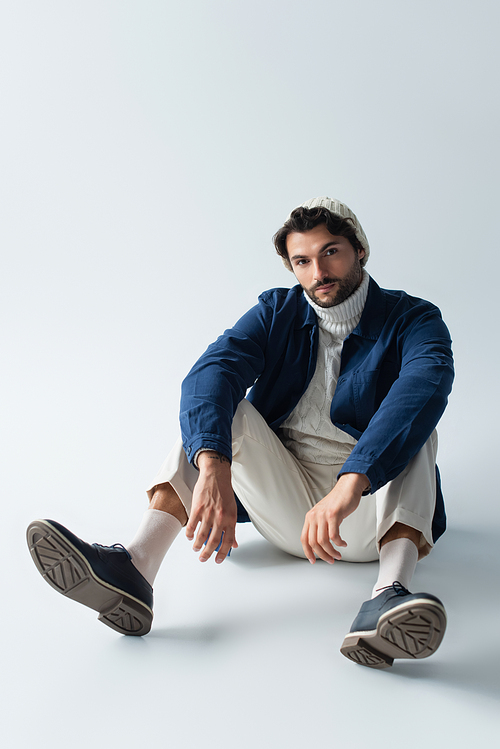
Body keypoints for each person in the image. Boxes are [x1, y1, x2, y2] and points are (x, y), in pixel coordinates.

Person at [27, 197, 454, 670]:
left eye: (331, 252)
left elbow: (423, 386)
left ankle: (386, 596)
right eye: (303, 261)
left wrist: (351, 484)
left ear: (360, 251)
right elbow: (212, 372)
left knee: (418, 425)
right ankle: (136, 568)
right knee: (219, 411)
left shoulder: (413, 319)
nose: (318, 272)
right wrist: (213, 467)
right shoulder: (278, 311)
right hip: (290, 512)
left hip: (369, 519)